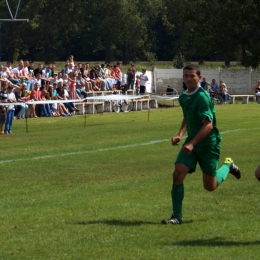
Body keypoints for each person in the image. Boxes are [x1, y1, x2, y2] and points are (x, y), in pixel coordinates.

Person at [162, 64, 241, 225]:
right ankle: (176, 216)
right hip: (191, 142)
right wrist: (180, 134)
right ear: (183, 78)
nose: (189, 79)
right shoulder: (184, 97)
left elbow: (208, 125)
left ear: (199, 77)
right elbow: (188, 117)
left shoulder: (203, 97)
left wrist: (192, 143)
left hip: (208, 145)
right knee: (177, 174)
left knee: (210, 186)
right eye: (186, 76)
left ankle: (228, 165)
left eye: (192, 76)